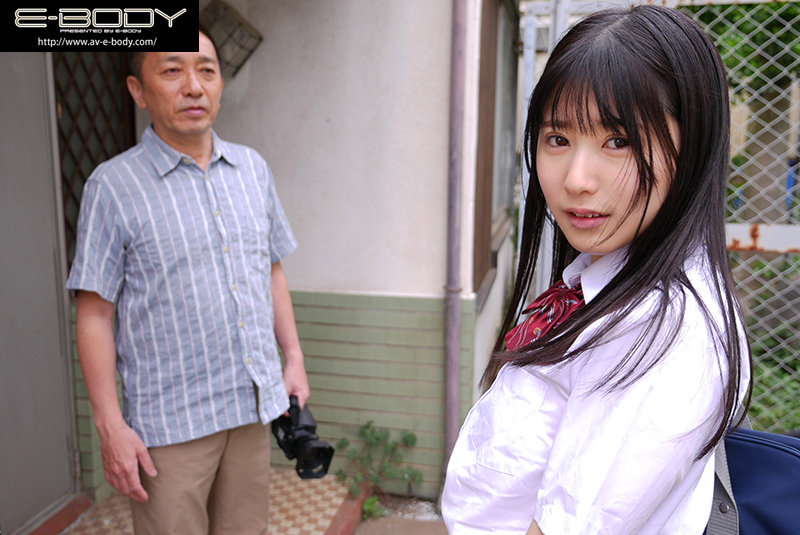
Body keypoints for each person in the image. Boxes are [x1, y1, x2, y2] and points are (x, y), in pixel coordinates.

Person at [441, 5, 752, 534]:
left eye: (619, 141)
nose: (576, 180)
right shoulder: (604, 278)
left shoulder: (662, 329)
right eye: (558, 139)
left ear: (692, 147)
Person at [66, 27, 310, 534]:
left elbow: (271, 270)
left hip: (251, 408)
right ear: (138, 90)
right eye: (173, 70)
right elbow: (95, 313)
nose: (193, 86)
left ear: (219, 83)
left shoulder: (252, 169)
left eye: (206, 70)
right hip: (170, 427)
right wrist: (110, 425)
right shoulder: (113, 186)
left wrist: (293, 360)